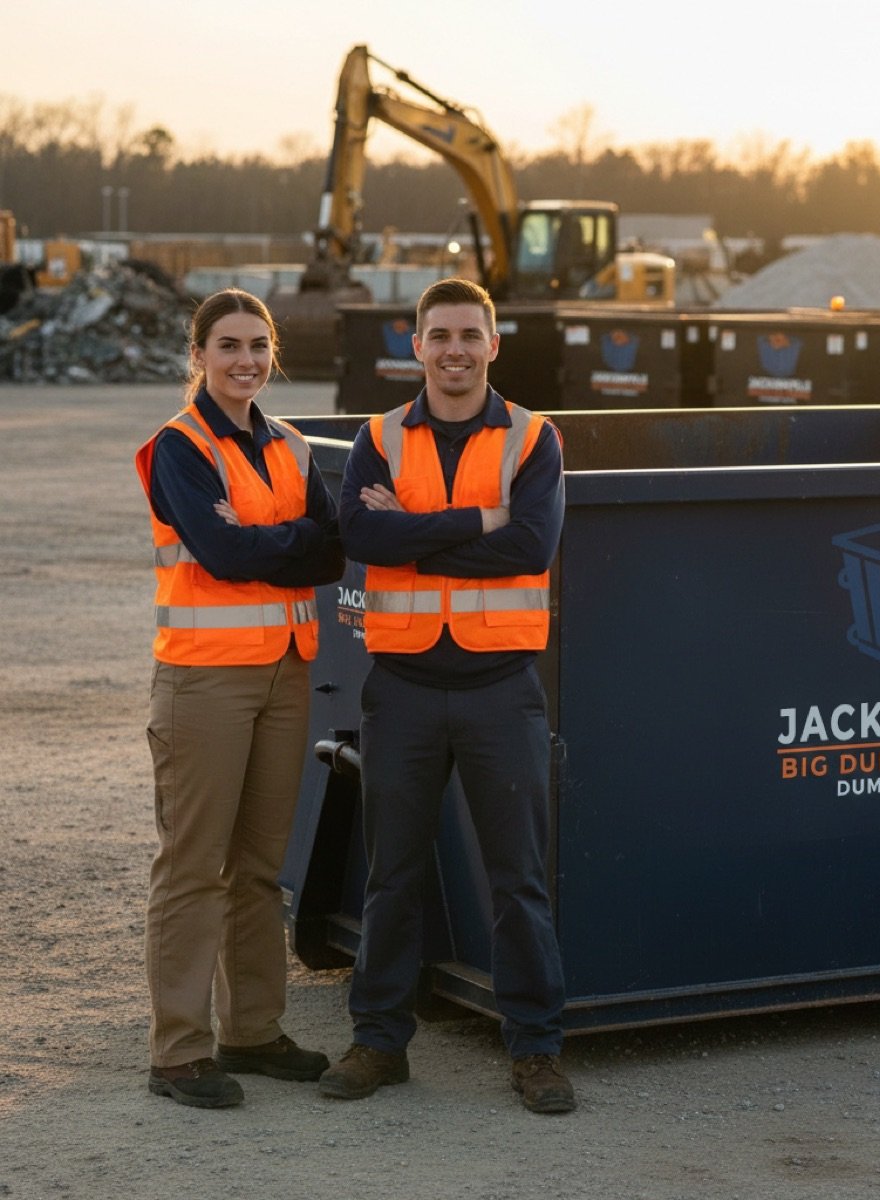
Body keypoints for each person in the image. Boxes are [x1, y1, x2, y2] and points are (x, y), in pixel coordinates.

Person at [320, 277, 574, 1114]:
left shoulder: (534, 439)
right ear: (417, 346)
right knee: (392, 876)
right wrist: (477, 522)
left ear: (494, 345)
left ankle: (535, 1050)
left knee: (519, 881)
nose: (455, 349)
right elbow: (361, 536)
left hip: (502, 688)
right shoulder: (379, 436)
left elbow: (531, 549)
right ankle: (378, 1042)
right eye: (440, 335)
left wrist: (416, 534)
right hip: (404, 690)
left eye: (471, 334)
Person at [135, 288, 344, 1108]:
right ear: (199, 356)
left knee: (259, 868)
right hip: (206, 679)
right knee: (193, 867)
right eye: (228, 346)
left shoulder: (289, 443)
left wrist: (271, 543)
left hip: (285, 673)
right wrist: (279, 543)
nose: (246, 360)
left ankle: (251, 1031)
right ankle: (178, 1054)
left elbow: (330, 552)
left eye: (259, 345)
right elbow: (218, 552)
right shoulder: (178, 448)